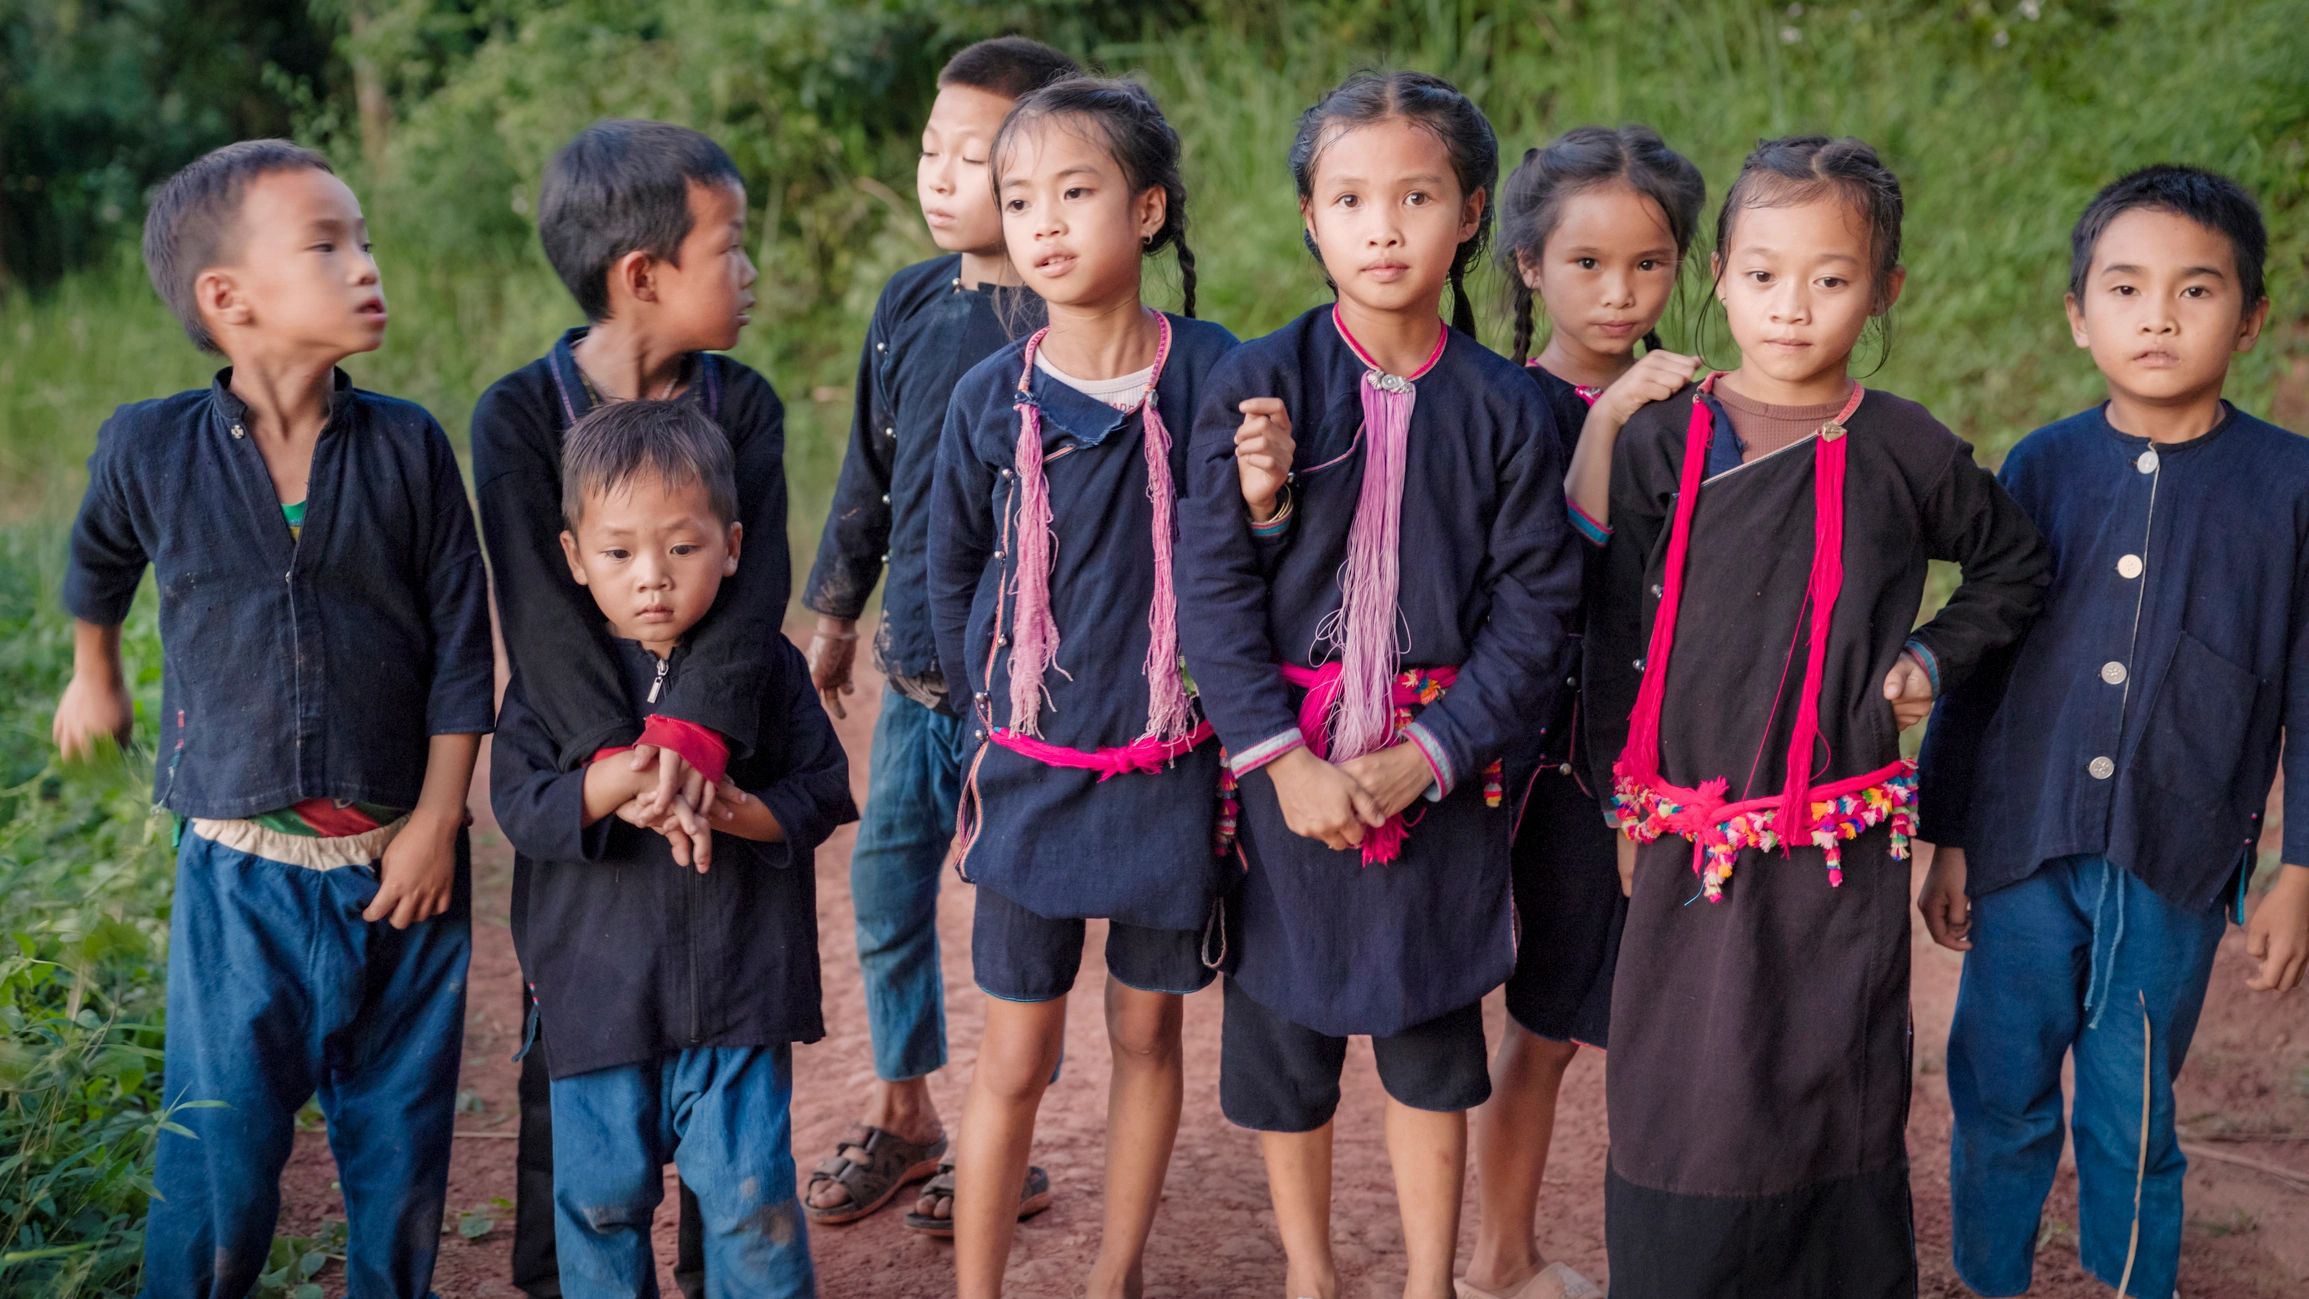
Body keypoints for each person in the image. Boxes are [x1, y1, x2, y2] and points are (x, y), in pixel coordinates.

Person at [1582, 135, 2050, 1298]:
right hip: (1684, 820)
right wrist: (1619, 801)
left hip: (1830, 841)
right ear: (1719, 276)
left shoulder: (1899, 447)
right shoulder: (1664, 438)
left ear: (1883, 291)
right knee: (1680, 1077)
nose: (1789, 308)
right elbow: (1609, 634)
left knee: (1822, 1061)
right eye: (1759, 274)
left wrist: (1931, 659)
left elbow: (2013, 565)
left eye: (1829, 278)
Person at [52, 139, 493, 1298]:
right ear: (226, 298)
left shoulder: (406, 448)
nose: (364, 264)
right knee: (219, 1160)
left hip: (403, 874)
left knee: (399, 1153)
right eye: (326, 244)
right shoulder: (149, 448)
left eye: (364, 239)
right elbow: (98, 558)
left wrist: (439, 820)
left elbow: (460, 642)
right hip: (239, 877)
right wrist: (93, 669)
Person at [1175, 71, 1580, 1299]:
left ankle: (1422, 1281)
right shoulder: (1257, 382)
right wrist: (1279, 759)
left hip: (1436, 780)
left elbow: (1537, 608)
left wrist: (1432, 751)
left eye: (1416, 196)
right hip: (1285, 785)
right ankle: (1309, 1273)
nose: (1383, 226)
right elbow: (1210, 589)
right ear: (1310, 217)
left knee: (1426, 1038)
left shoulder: (1509, 409)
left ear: (1469, 216)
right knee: (1284, 1039)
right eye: (1350, 199)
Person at [1916, 164, 2309, 1299]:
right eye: (2125, 288)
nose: (2157, 315)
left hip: (2174, 848)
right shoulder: (2040, 466)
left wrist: (2297, 867)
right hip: (2022, 844)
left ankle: (2132, 1280)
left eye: (2195, 290)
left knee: (2132, 1099)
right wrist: (1948, 833)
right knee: (1997, 1079)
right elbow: (1977, 667)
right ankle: (1989, 1276)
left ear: (2250, 320)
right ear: (2077, 316)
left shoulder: (2286, 487)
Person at [925, 74, 1238, 1299]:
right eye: (1018, 199)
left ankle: (1114, 1276)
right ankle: (977, 1287)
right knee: (1015, 1053)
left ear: (1148, 209)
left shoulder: (1215, 374)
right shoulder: (985, 398)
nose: (1042, 221)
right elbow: (953, 576)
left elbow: (1260, 555)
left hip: (1167, 773)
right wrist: (994, 724)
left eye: (1075, 191)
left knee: (1147, 1030)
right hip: (1034, 778)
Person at [471, 117, 787, 1299]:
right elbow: (541, 623)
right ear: (643, 274)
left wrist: (686, 746)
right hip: (595, 783)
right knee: (580, 1039)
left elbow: (753, 599)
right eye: (731, 248)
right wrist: (623, 764)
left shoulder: (743, 408)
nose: (748, 274)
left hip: (707, 768)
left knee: (721, 1055)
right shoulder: (515, 416)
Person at [799, 34, 1081, 1234]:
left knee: (1013, 917)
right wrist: (830, 615)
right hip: (913, 681)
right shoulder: (907, 303)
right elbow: (869, 475)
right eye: (931, 149)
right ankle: (905, 1113)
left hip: (1022, 695)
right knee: (886, 894)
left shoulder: (1070, 321)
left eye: (976, 159)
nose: (939, 176)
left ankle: (999, 1140)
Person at [491, 399, 852, 1298]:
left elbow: (820, 790)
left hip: (738, 994)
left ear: (732, 545)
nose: (651, 577)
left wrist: (733, 810)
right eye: (618, 553)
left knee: (748, 1201)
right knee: (601, 1203)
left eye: (682, 548)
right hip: (597, 998)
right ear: (574, 559)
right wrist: (618, 780)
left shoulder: (759, 668)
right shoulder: (554, 684)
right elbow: (521, 806)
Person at [1460, 122, 1705, 1299]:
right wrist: (1606, 422)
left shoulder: (1707, 413)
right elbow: (1554, 576)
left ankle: (1662, 1265)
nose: (1619, 294)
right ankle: (1498, 1261)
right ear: (1524, 267)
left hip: (1686, 770)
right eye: (1586, 265)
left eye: (1647, 265)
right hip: (1556, 774)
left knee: (1674, 1032)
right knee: (1545, 1029)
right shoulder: (1502, 409)